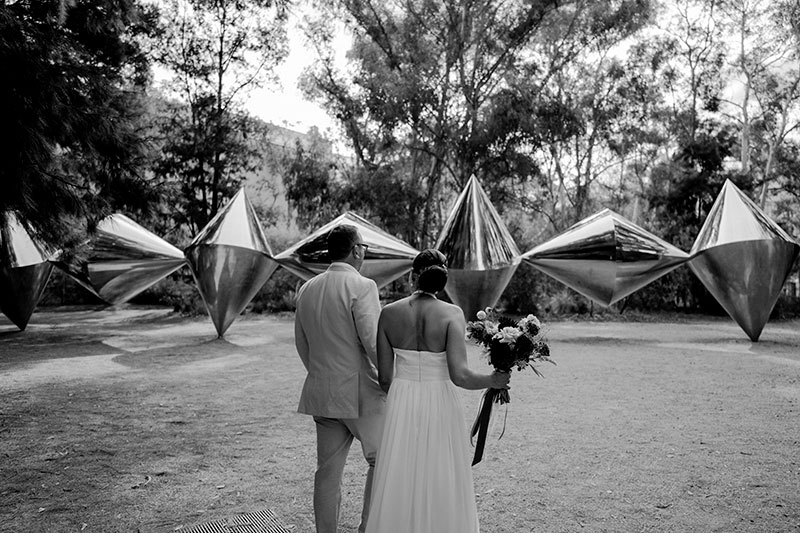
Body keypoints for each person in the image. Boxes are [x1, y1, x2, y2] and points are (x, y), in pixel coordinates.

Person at [365, 249, 511, 533]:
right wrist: (492, 380)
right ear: (441, 280)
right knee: (441, 469)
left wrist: (402, 395)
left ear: (412, 276)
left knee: (401, 471)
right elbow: (460, 375)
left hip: (402, 399)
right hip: (441, 400)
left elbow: (385, 378)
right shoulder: (451, 314)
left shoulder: (388, 314)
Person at [294, 224, 386, 533]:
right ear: (357, 250)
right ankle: (367, 529)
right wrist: (390, 381)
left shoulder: (307, 288)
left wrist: (321, 372)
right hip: (360, 394)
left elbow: (302, 343)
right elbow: (373, 343)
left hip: (322, 390)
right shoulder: (362, 286)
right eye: (365, 249)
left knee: (328, 472)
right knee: (382, 459)